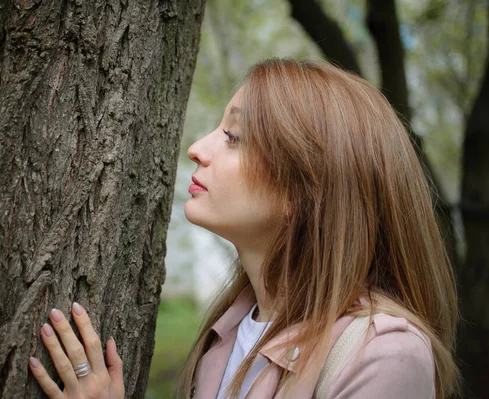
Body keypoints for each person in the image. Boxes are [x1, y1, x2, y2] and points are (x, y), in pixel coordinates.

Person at [28, 58, 460, 398]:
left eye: (233, 136)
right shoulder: (230, 329)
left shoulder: (382, 355)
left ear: (303, 188)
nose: (198, 149)